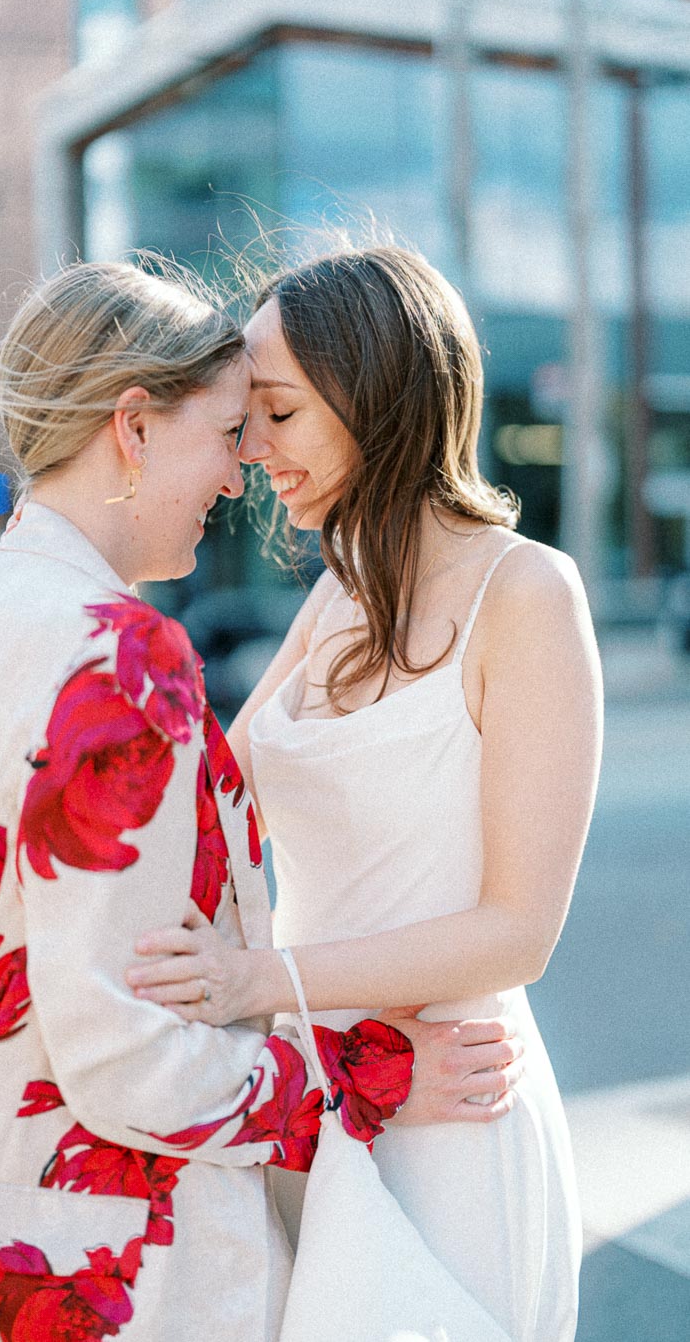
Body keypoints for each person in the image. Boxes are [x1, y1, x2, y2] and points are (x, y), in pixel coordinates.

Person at [0, 259, 524, 1342]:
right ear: (133, 427)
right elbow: (127, 1051)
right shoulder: (116, 653)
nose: (239, 479)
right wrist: (369, 1084)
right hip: (110, 1274)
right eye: (230, 433)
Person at [125, 245, 603, 1340]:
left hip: (453, 1122)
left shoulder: (525, 594)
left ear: (373, 395)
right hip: (325, 1106)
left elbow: (516, 932)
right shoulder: (337, 593)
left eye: (279, 413)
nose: (252, 449)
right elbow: (214, 807)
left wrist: (258, 981)